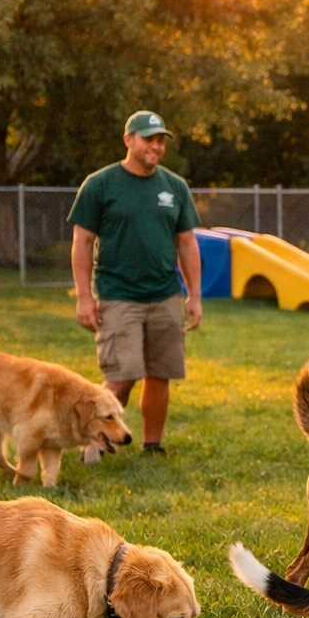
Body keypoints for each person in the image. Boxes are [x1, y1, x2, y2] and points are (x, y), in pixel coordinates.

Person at [68, 111, 202, 458]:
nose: (155, 146)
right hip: (118, 295)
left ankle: (152, 445)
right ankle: (92, 443)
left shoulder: (174, 187)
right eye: (148, 139)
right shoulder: (100, 184)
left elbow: (187, 243)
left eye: (160, 140)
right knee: (122, 375)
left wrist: (195, 295)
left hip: (165, 294)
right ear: (129, 140)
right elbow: (82, 241)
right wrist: (84, 297)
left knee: (160, 374)